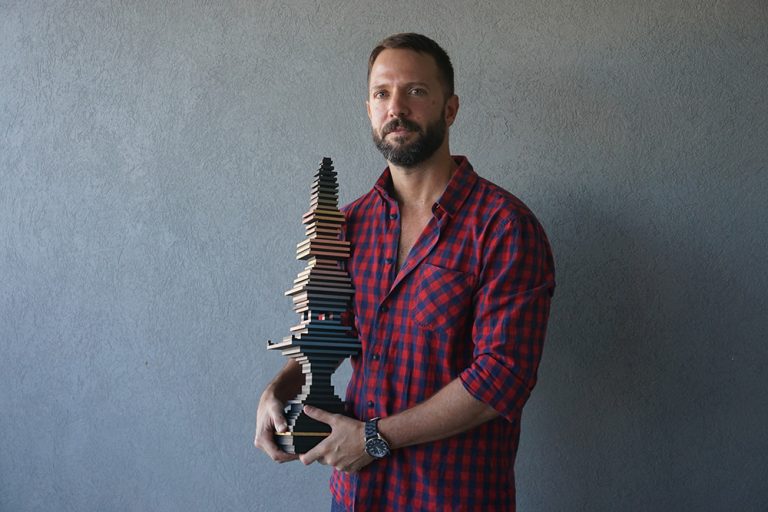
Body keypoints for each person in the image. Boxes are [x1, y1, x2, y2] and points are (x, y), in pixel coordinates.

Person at [255, 32, 555, 511]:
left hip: (451, 498)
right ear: (369, 109)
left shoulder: (503, 227)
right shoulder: (349, 224)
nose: (396, 107)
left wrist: (374, 438)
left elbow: (502, 377)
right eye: (382, 93)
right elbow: (333, 333)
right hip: (355, 496)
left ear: (450, 109)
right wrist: (278, 390)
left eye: (415, 91)